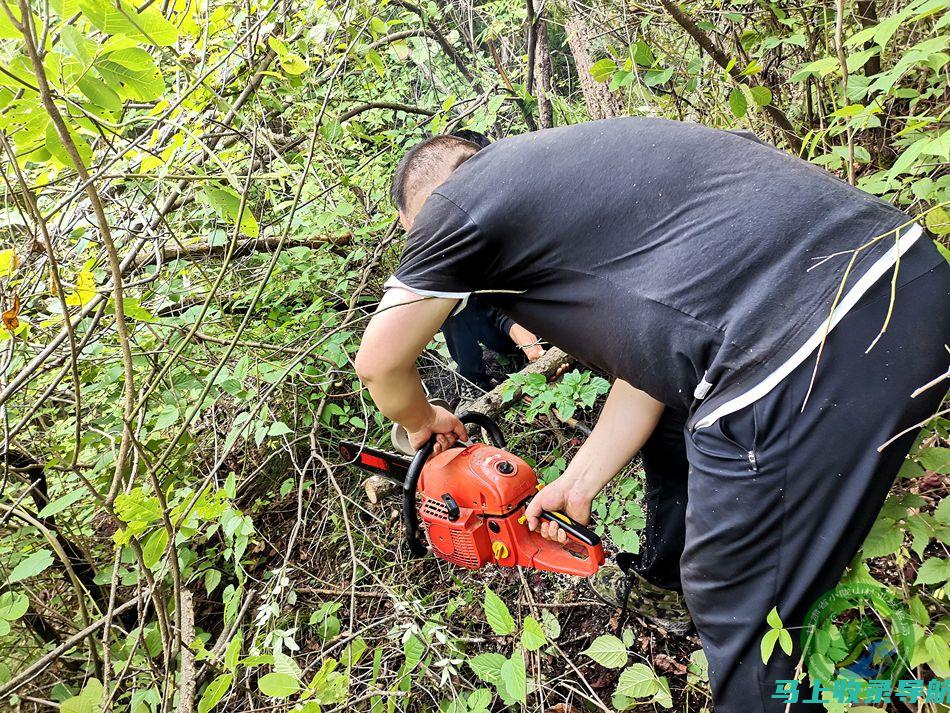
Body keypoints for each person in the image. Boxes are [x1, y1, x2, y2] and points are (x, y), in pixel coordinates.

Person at [353, 118, 950, 711]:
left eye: (416, 235)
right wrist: (580, 479)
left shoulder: (458, 201)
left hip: (797, 348)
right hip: (911, 280)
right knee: (780, 587)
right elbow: (654, 363)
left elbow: (379, 364)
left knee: (736, 602)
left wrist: (420, 420)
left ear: (426, 209)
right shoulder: (590, 163)